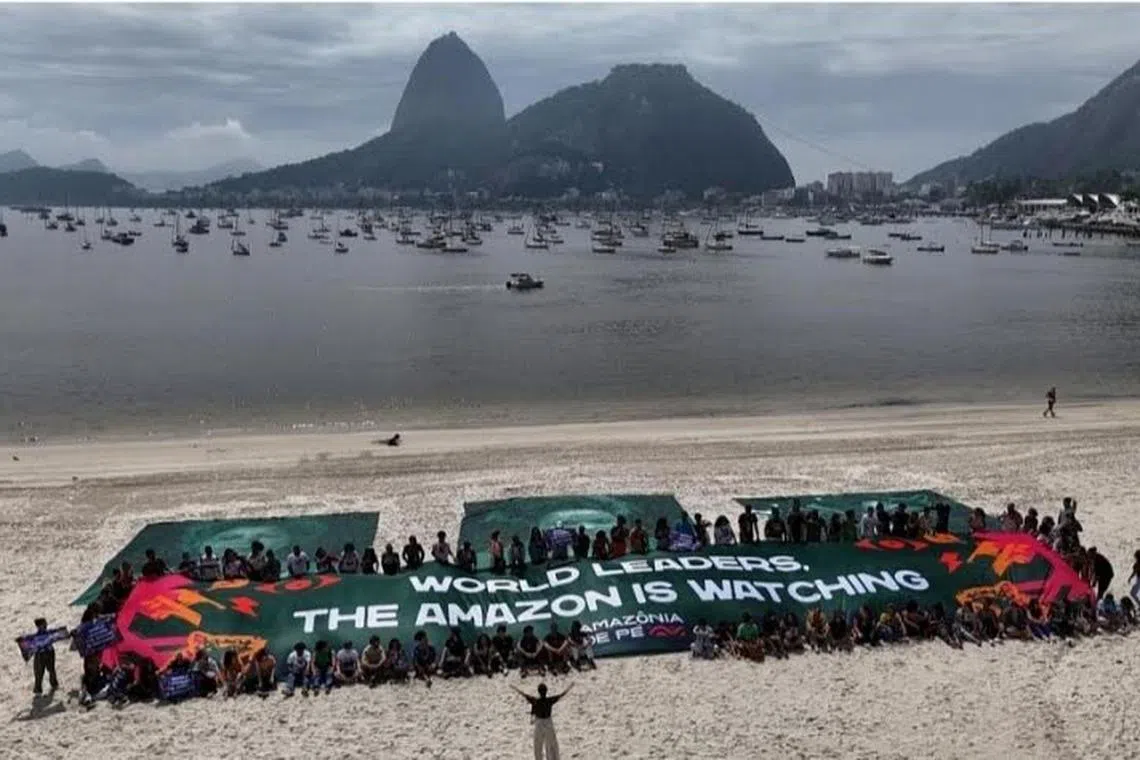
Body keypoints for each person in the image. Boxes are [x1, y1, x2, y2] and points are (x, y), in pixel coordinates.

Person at [513, 682, 573, 760]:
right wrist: (569, 688)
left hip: (539, 723)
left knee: (538, 745)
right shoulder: (549, 701)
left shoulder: (536, 701)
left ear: (538, 692)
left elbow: (525, 695)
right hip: (548, 722)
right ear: (546, 691)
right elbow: (561, 695)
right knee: (551, 744)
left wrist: (516, 689)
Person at [29, 617, 59, 695]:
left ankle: (39, 689)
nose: (46, 624)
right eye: (44, 623)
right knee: (48, 670)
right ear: (40, 625)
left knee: (41, 671)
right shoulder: (44, 634)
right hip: (46, 653)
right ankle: (53, 684)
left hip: (42, 653)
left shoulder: (35, 636)